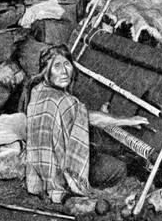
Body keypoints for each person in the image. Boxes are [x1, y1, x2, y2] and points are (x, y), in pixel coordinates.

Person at [23, 44, 149, 203]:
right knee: (119, 168)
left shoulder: (37, 90)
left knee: (103, 145)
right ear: (46, 71)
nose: (64, 71)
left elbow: (80, 116)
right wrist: (127, 120)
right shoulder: (62, 101)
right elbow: (90, 118)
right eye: (57, 66)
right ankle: (75, 190)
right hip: (61, 174)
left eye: (67, 64)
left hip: (39, 171)